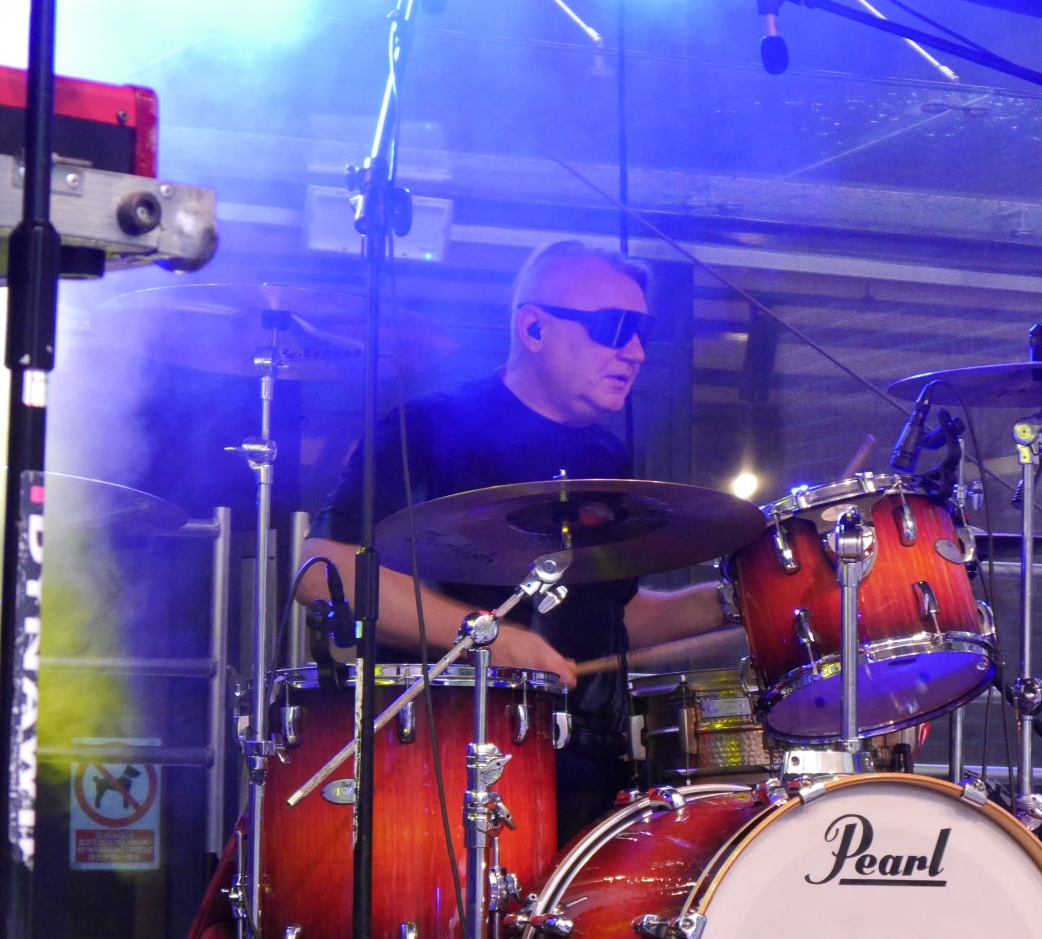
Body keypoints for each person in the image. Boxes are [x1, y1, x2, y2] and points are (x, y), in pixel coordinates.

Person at [297, 239, 725, 837]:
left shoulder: (605, 457)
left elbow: (611, 617)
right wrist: (488, 640)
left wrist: (730, 601)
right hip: (452, 767)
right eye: (614, 327)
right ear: (534, 328)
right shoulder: (429, 427)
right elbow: (324, 572)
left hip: (592, 771)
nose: (634, 352)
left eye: (642, 332)